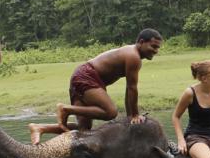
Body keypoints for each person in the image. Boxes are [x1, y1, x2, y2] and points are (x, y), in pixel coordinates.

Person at [29, 28, 163, 144]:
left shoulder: (131, 53)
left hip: (81, 76)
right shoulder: (134, 57)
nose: (156, 51)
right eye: (153, 46)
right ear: (141, 42)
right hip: (87, 76)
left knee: (84, 131)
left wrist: (130, 117)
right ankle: (66, 109)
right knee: (110, 112)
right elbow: (132, 88)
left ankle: (41, 128)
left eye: (158, 48)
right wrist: (135, 115)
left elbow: (129, 91)